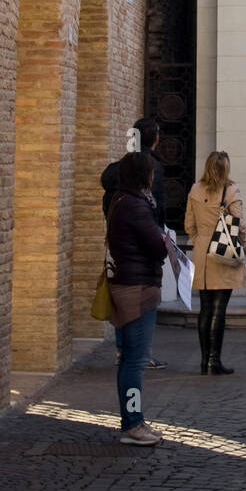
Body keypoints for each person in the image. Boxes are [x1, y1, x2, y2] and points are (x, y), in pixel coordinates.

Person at [106, 150, 170, 446]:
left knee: (130, 359)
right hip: (138, 288)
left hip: (127, 283)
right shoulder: (136, 205)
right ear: (143, 175)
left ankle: (135, 420)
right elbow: (157, 247)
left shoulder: (120, 200)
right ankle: (132, 424)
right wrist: (164, 240)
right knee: (135, 360)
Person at [101, 117, 168, 370]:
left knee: (121, 297)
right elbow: (157, 207)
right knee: (140, 301)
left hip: (117, 239)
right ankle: (138, 353)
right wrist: (161, 237)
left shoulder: (119, 169)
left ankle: (124, 350)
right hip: (141, 243)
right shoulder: (149, 171)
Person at [184, 150, 246, 375]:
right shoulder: (231, 190)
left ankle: (203, 361)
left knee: (205, 307)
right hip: (223, 249)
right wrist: (241, 243)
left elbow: (188, 224)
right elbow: (238, 223)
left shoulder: (194, 189)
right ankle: (214, 361)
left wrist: (200, 241)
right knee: (220, 308)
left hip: (202, 251)